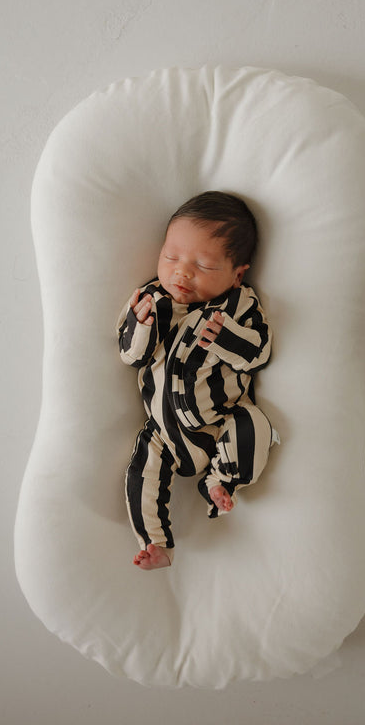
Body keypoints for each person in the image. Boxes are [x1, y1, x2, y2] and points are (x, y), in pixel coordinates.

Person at [117, 191, 277, 570]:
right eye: (171, 257)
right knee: (142, 472)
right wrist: (140, 325)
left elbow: (259, 353)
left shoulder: (240, 306)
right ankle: (155, 542)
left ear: (238, 274)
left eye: (203, 265)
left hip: (223, 418)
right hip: (163, 432)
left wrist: (226, 337)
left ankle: (220, 479)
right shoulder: (153, 300)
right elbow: (130, 355)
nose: (181, 271)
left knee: (255, 426)